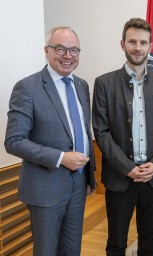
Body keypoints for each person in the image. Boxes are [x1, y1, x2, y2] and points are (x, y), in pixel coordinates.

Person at [4, 26, 96, 255]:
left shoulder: (81, 85)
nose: (68, 56)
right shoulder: (27, 87)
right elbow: (14, 140)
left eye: (74, 50)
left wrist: (88, 176)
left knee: (72, 249)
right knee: (46, 251)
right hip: (45, 186)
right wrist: (61, 158)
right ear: (47, 51)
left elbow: (81, 130)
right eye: (60, 49)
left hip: (78, 184)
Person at [92, 18, 153, 256]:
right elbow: (102, 131)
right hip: (120, 178)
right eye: (132, 42)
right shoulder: (104, 83)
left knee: (148, 240)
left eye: (143, 42)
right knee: (116, 242)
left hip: (151, 178)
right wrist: (127, 167)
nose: (137, 47)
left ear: (150, 47)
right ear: (122, 44)